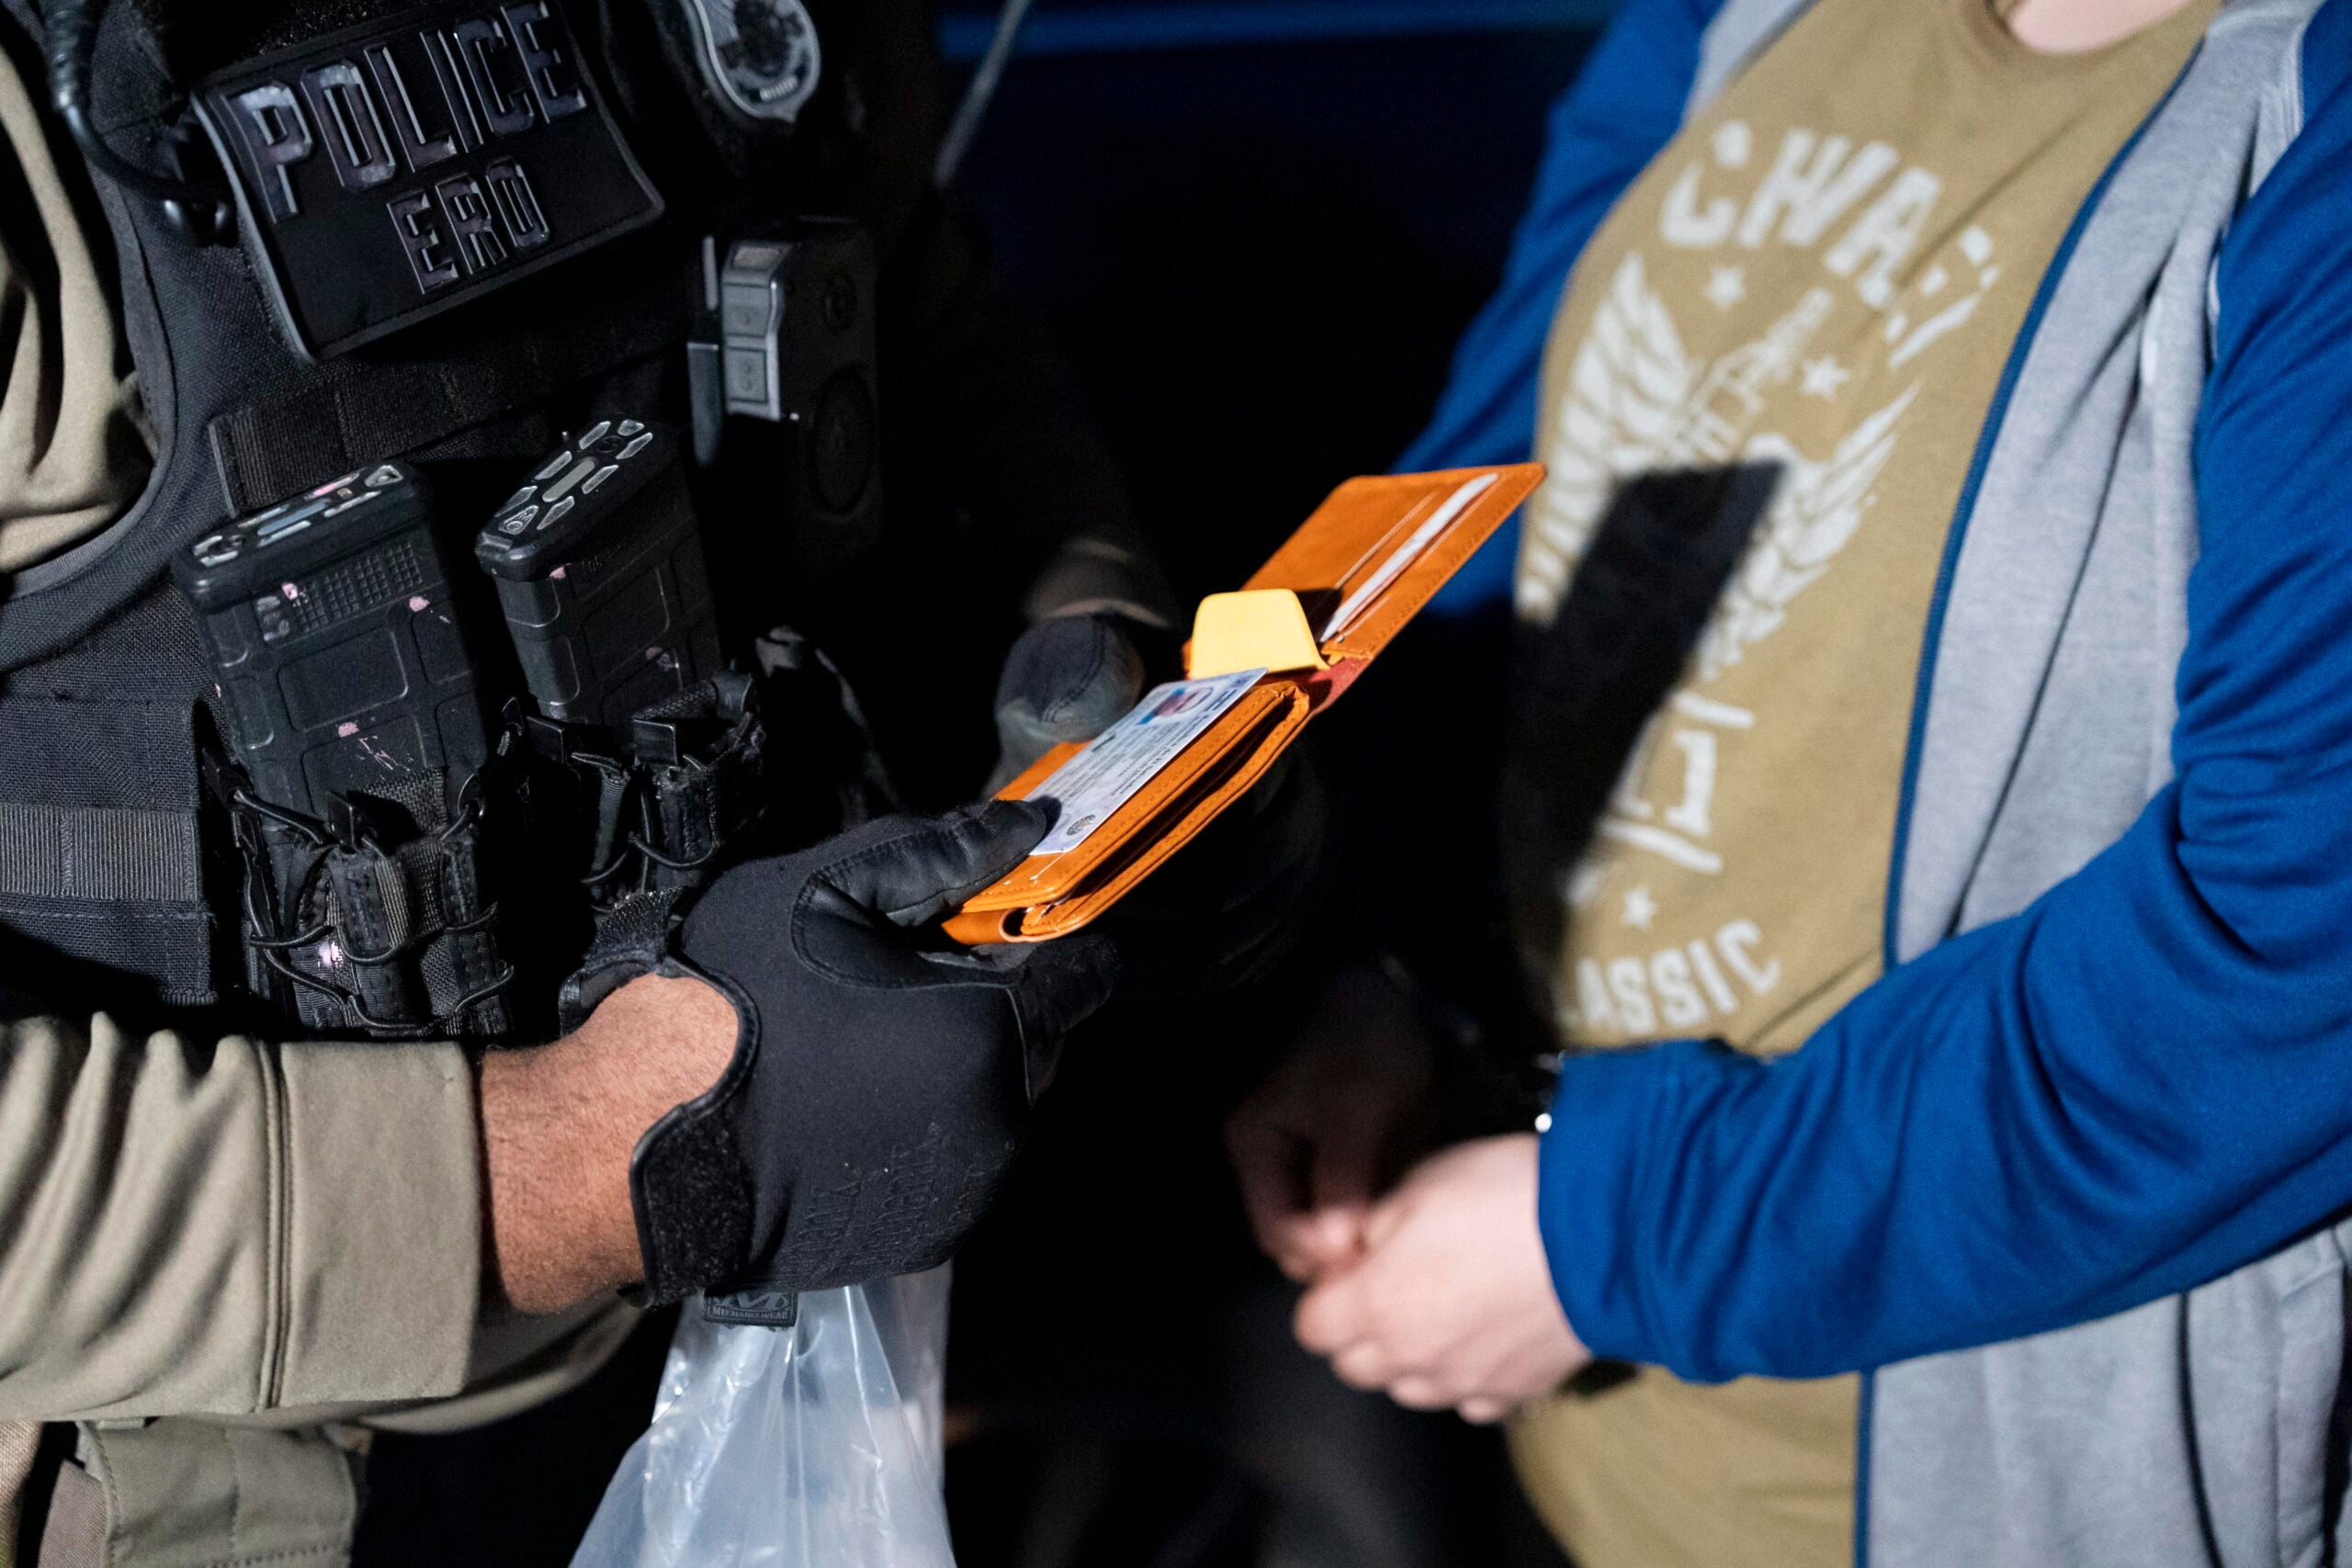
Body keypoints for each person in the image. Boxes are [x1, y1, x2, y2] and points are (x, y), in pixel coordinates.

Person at [0, 0, 1316, 1562]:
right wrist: (601, 1158)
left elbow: (918, 297)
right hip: (220, 1464)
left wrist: (1093, 642)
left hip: (797, 1320)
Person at [1227, 0, 2352, 1559]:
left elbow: (2293, 958)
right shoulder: (1731, 16)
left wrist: (1609, 1235)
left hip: (1975, 1484)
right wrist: (1401, 975)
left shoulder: (2307, 119)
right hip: (1582, 1432)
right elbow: (1484, 506)